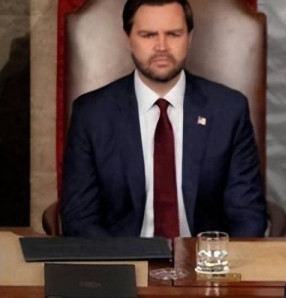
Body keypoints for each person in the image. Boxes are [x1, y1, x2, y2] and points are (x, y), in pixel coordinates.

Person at [61, 0, 266, 237]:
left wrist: (219, 257)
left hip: (206, 256)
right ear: (128, 39)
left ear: (189, 38)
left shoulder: (228, 110)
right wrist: (120, 258)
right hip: (121, 255)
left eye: (173, 34)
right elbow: (79, 217)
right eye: (148, 35)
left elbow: (247, 215)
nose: (161, 47)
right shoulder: (92, 114)